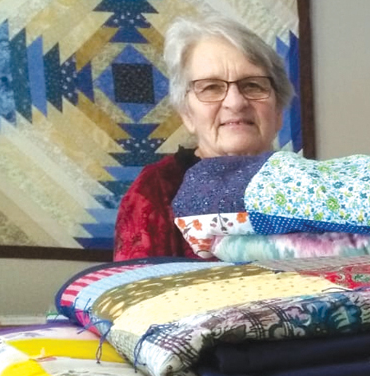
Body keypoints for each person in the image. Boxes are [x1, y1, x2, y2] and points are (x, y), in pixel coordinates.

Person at [114, 14, 295, 260]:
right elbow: (137, 295)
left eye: (253, 85)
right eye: (211, 87)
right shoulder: (154, 193)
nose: (235, 102)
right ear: (186, 113)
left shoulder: (307, 186)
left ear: (278, 111)